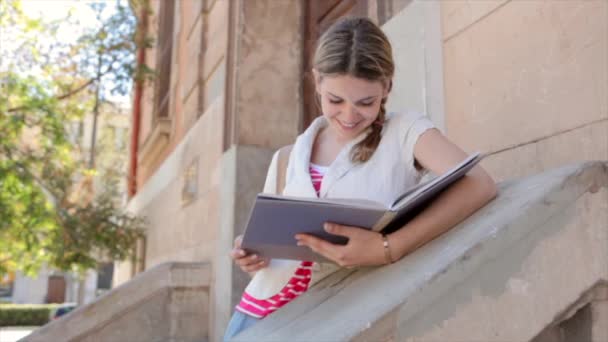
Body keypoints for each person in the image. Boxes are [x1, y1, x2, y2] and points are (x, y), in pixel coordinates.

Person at [223, 17, 497, 341]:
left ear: (387, 88)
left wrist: (388, 247)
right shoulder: (288, 156)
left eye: (365, 102)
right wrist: (254, 254)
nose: (349, 116)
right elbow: (271, 245)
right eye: (335, 101)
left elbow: (480, 183)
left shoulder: (406, 132)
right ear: (317, 82)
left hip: (337, 315)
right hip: (258, 316)